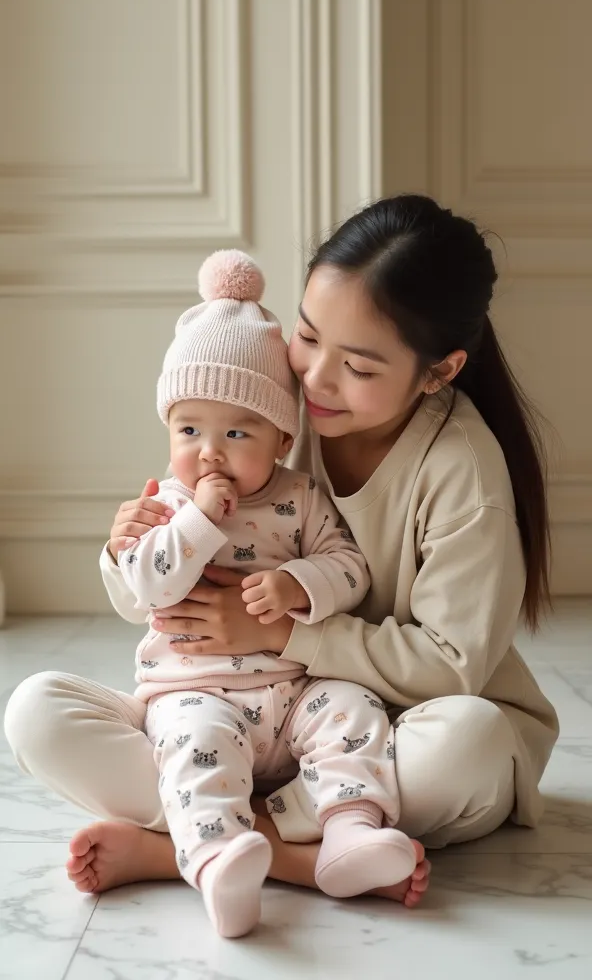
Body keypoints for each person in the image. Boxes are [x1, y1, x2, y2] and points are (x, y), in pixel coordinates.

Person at [4, 194, 558, 913]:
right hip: (230, 716)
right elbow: (158, 565)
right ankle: (302, 852)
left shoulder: (463, 473)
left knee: (472, 742)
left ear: (438, 370)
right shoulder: (265, 398)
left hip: (383, 726)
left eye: (357, 365)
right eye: (306, 334)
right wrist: (126, 550)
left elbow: (453, 669)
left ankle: (193, 846)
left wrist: (283, 630)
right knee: (34, 712)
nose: (317, 379)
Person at [104, 248, 418, 938]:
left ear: (280, 438)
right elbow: (147, 582)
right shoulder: (166, 501)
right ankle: (221, 859)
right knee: (192, 745)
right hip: (199, 689)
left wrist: (297, 584)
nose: (208, 451)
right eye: (189, 430)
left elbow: (349, 567)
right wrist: (196, 521)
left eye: (236, 432)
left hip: (294, 691)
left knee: (356, 708)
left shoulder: (300, 496)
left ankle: (348, 831)